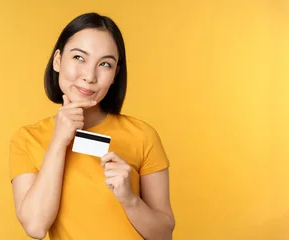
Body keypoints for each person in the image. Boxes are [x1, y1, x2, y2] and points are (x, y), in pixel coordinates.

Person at [9, 12, 175, 240]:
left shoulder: (143, 135)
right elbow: (35, 227)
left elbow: (164, 235)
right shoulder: (28, 139)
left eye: (105, 64)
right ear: (58, 60)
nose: (89, 76)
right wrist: (59, 140)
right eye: (79, 57)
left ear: (115, 74)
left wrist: (129, 198)